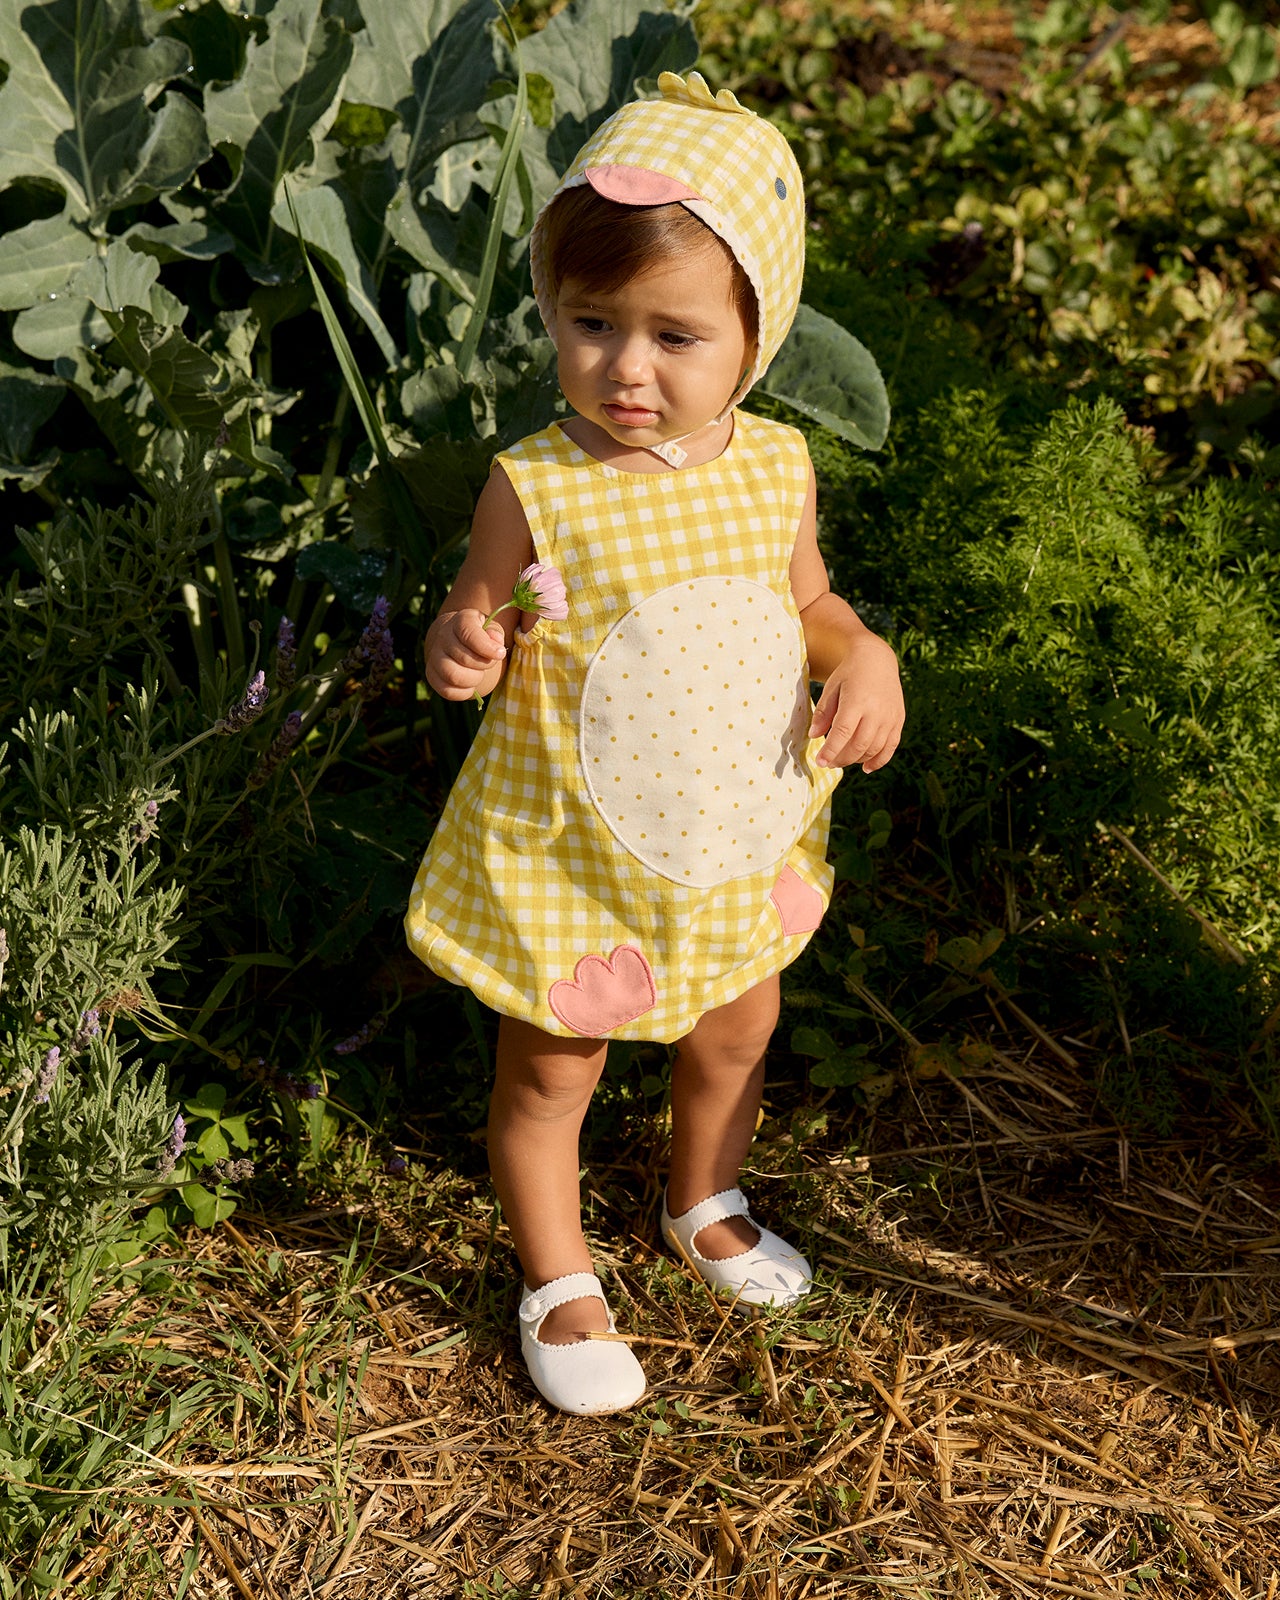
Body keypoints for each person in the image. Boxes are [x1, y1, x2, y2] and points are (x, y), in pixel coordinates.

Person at [406, 72, 904, 1415]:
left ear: (760, 334)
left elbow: (807, 603)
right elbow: (478, 608)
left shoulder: (777, 468)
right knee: (552, 1060)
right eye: (590, 324)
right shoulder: (536, 484)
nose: (625, 368)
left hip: (731, 830)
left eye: (674, 336)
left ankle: (705, 1195)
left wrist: (862, 654)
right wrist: (466, 641)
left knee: (741, 1024)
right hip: (575, 847)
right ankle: (558, 1274)